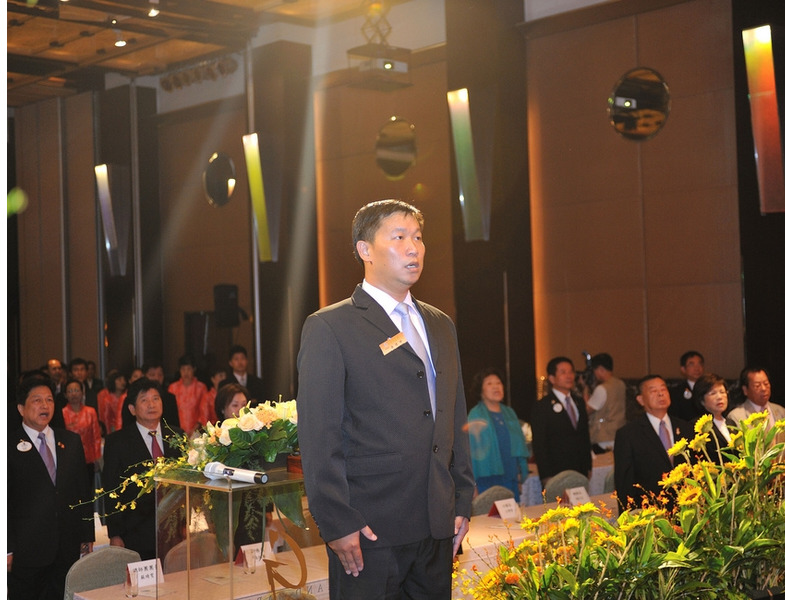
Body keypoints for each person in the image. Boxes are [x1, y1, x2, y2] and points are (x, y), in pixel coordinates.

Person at [296, 199, 474, 599]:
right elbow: (319, 435)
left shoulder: (440, 324)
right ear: (365, 249)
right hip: (369, 528)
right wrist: (337, 520)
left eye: (418, 237)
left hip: (437, 522)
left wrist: (462, 500)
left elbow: (454, 416)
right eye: (399, 237)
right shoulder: (330, 326)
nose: (414, 248)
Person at [8, 375, 95, 600]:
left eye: (49, 400)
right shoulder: (8, 446)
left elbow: (82, 490)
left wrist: (87, 534)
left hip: (66, 547)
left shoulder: (71, 441)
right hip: (26, 550)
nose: (44, 405)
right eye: (37, 400)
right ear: (21, 408)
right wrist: (6, 547)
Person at [103, 377, 184, 559]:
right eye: (144, 400)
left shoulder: (177, 435)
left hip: (174, 532)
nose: (151, 404)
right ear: (132, 409)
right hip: (135, 534)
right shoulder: (117, 442)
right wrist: (115, 534)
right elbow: (111, 490)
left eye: (155, 398)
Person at [614, 375, 689, 510]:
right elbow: (624, 482)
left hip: (687, 506)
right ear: (641, 400)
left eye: (663, 389)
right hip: (651, 510)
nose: (660, 394)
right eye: (653, 391)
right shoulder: (628, 434)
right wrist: (628, 516)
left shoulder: (685, 427)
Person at [466, 368, 529, 502]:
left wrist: (519, 476)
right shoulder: (475, 415)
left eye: (498, 383)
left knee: (511, 514)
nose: (496, 386)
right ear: (480, 390)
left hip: (510, 477)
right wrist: (473, 485)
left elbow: (519, 447)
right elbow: (470, 453)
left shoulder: (510, 413)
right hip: (486, 481)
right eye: (489, 383)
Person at [530, 356, 592, 488]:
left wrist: (588, 466)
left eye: (571, 372)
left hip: (580, 470)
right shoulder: (542, 406)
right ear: (552, 378)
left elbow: (585, 436)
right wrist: (546, 476)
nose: (569, 376)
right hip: (556, 472)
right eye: (563, 372)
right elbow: (539, 444)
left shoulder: (579, 402)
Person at [62, 377, 103, 485]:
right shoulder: (62, 413)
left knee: (88, 488)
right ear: (65, 395)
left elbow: (96, 437)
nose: (74, 394)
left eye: (76, 390)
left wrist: (97, 458)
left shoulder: (90, 412)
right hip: (69, 459)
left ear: (82, 392)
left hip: (89, 458)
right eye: (70, 391)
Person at [727, 366, 785, 440]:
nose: (763, 388)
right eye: (757, 386)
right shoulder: (736, 417)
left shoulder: (781, 411)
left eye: (766, 384)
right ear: (745, 390)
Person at [583, 353, 627, 450]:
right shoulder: (620, 384)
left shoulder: (602, 388)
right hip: (618, 432)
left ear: (600, 369)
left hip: (603, 437)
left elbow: (587, 410)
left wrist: (585, 391)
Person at [691, 373, 734, 464]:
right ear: (702, 400)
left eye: (722, 392)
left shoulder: (731, 422)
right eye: (713, 393)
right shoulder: (698, 427)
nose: (719, 397)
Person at [168, 354, 210, 436]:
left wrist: (194, 429)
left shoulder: (201, 388)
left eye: (189, 369)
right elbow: (170, 412)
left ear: (194, 369)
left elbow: (204, 412)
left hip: (196, 431)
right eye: (183, 369)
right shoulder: (173, 388)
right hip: (176, 430)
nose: (186, 372)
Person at [668, 351, 705, 422]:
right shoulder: (676, 392)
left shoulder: (709, 388)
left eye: (700, 364)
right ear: (683, 369)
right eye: (691, 364)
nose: (697, 368)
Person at [97, 369, 128, 434]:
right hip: (113, 429)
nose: (123, 382)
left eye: (124, 380)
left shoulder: (127, 396)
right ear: (113, 382)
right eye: (119, 380)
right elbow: (106, 419)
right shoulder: (108, 399)